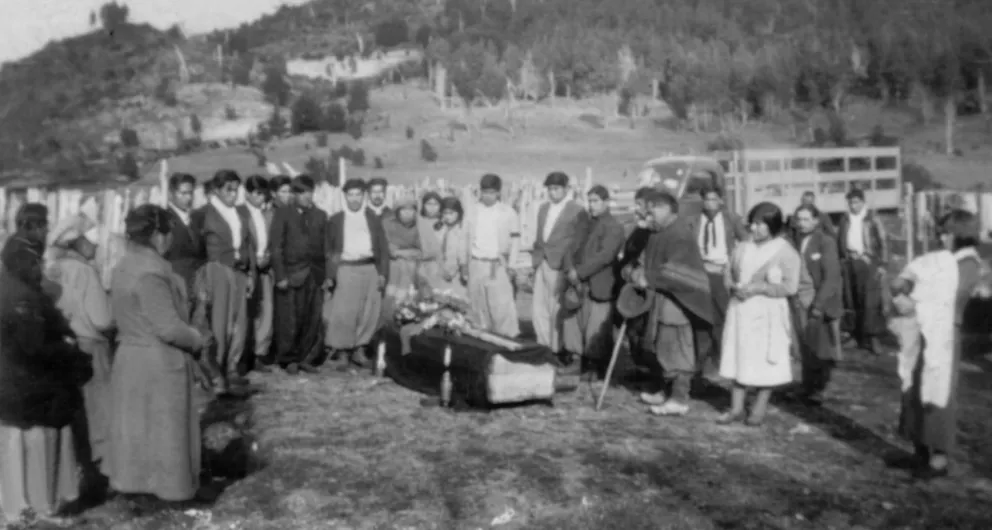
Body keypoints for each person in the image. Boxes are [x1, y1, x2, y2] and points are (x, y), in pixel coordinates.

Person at [104, 204, 212, 502]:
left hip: (131, 356)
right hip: (157, 362)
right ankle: (165, 490)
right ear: (156, 235)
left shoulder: (125, 265)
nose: (170, 240)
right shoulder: (150, 273)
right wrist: (197, 339)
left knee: (138, 426)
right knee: (164, 429)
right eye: (168, 233)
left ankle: (136, 484)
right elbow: (168, 328)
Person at [0, 204, 90, 522]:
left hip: (10, 383)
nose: (41, 268)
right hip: (29, 386)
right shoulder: (24, 297)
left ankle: (16, 508)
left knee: (13, 444)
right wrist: (69, 350)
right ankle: (40, 506)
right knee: (38, 441)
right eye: (36, 263)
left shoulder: (9, 287)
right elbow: (35, 345)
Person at [888, 209, 992, 480]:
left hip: (943, 333)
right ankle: (919, 449)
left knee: (937, 389)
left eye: (947, 233)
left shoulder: (968, 264)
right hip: (922, 328)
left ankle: (939, 457)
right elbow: (916, 276)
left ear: (961, 234)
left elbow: (948, 300)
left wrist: (914, 302)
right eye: (941, 232)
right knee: (915, 385)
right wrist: (904, 286)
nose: (941, 238)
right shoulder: (941, 259)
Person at [625, 189, 713, 416]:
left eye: (652, 211)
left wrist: (647, 277)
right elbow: (646, 262)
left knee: (677, 347)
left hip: (680, 301)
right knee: (660, 344)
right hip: (661, 297)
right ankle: (665, 391)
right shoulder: (657, 232)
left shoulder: (680, 234)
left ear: (666, 209)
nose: (648, 216)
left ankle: (679, 398)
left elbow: (678, 273)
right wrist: (637, 271)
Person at [718, 202, 803, 426]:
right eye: (752, 224)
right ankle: (736, 407)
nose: (754, 228)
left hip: (767, 313)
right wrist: (733, 287)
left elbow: (790, 286)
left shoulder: (784, 251)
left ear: (772, 226)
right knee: (739, 355)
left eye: (759, 224)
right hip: (740, 309)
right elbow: (728, 272)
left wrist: (760, 288)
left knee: (764, 359)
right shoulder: (743, 247)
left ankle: (759, 408)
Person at [48, 213, 115, 481]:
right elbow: (102, 319)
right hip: (90, 349)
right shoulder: (85, 272)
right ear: (79, 242)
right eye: (92, 239)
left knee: (73, 412)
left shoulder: (52, 269)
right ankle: (98, 470)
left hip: (63, 348)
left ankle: (75, 467)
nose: (97, 245)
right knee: (97, 411)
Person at [195, 170, 255, 394]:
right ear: (217, 190)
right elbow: (198, 249)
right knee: (220, 323)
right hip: (218, 269)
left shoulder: (240, 213)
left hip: (239, 271)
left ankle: (232, 367)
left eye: (236, 190)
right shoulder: (204, 214)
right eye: (228, 190)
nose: (233, 194)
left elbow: (248, 244)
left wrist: (251, 274)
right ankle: (216, 370)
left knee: (240, 323)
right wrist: (202, 278)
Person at [324, 178, 389, 368]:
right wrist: (330, 274)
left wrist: (382, 273)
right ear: (344, 197)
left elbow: (382, 248)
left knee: (368, 311)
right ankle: (342, 351)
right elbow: (329, 249)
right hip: (346, 268)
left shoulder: (372, 218)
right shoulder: (336, 220)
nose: (354, 199)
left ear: (364, 196)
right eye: (350, 195)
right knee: (344, 312)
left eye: (358, 195)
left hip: (369, 268)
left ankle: (360, 349)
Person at [562, 185, 624, 380]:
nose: (591, 205)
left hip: (600, 283)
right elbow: (571, 247)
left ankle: (596, 366)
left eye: (596, 201)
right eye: (589, 201)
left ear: (606, 202)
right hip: (578, 283)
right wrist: (569, 268)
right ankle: (576, 361)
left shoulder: (613, 226)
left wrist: (580, 272)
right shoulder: (584, 223)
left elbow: (605, 256)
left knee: (597, 326)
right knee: (574, 321)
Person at [685, 185, 748, 372]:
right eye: (706, 199)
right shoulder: (693, 220)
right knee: (702, 315)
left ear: (721, 201)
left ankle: (723, 357)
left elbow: (745, 242)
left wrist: (734, 266)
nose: (710, 203)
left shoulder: (731, 219)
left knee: (723, 315)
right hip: (701, 272)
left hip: (722, 273)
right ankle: (701, 360)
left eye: (714, 199)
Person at [268, 175, 325, 374]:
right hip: (291, 274)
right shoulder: (283, 214)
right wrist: (280, 275)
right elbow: (276, 247)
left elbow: (325, 246)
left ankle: (306, 357)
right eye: (301, 193)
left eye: (310, 192)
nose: (307, 196)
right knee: (289, 319)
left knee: (312, 318)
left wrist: (326, 275)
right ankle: (288, 358)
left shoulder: (319, 215)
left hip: (314, 274)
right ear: (294, 195)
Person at [531, 171, 588, 356]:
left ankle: (557, 349)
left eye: (556, 188)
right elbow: (540, 237)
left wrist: (570, 266)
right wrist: (535, 260)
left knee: (557, 308)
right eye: (549, 189)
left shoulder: (577, 210)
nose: (552, 192)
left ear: (566, 189)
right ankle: (542, 345)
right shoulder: (543, 208)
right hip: (542, 261)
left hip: (561, 265)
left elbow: (579, 241)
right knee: (539, 308)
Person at [791, 204, 843, 404]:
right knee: (805, 344)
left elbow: (831, 277)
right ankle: (807, 385)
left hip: (818, 299)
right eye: (799, 219)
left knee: (820, 346)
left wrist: (819, 304)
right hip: (800, 298)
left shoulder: (825, 242)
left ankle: (819, 387)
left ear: (816, 221)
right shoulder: (795, 240)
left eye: (806, 219)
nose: (802, 223)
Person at [461, 173, 522, 337]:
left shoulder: (508, 212)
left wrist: (512, 265)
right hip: (476, 262)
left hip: (497, 264)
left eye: (492, 192)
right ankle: (481, 337)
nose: (488, 196)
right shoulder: (472, 211)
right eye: (485, 192)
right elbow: (464, 238)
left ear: (498, 193)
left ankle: (506, 337)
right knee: (477, 303)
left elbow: (515, 240)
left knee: (500, 305)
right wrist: (464, 263)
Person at [836, 188, 889, 355]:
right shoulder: (845, 219)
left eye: (856, 202)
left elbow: (883, 241)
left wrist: (883, 264)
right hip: (849, 262)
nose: (853, 206)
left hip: (868, 261)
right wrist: (842, 258)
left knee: (870, 300)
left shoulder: (872, 218)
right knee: (851, 299)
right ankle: (855, 335)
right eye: (850, 203)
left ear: (863, 202)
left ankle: (872, 337)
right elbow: (839, 240)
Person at [244, 175, 274, 373]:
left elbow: (271, 241)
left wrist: (267, 257)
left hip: (266, 268)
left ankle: (260, 353)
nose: (260, 198)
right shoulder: (241, 214)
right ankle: (245, 354)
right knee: (249, 312)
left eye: (263, 194)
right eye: (256, 193)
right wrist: (254, 261)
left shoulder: (267, 215)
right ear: (247, 193)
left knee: (266, 310)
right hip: (249, 269)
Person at [162, 172, 205, 308]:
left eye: (191, 193)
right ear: (171, 194)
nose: (189, 198)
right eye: (183, 193)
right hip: (175, 284)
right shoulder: (165, 219)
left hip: (196, 285)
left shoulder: (197, 218)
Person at [381, 196, 423, 319]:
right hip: (392, 266)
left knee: (407, 298)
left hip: (412, 267)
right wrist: (405, 251)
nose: (407, 213)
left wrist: (400, 252)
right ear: (398, 211)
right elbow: (388, 247)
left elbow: (422, 250)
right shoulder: (388, 223)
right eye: (404, 210)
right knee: (390, 294)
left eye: (411, 210)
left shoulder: (420, 226)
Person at [436, 196, 468, 297]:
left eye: (451, 213)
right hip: (440, 272)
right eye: (445, 213)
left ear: (458, 213)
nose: (448, 216)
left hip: (458, 274)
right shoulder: (440, 228)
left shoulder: (463, 230)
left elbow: (463, 253)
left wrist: (461, 271)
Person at [416, 192, 445, 290]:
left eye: (435, 204)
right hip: (420, 265)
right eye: (429, 204)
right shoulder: (418, 222)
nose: (432, 207)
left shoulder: (444, 223)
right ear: (423, 205)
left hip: (438, 266)